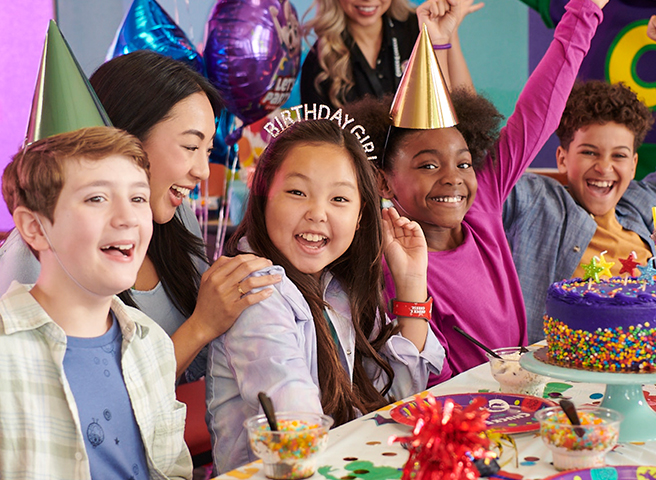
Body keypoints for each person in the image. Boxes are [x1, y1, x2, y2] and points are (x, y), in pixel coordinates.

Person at [346, 0, 606, 384]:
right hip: (459, 417)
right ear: (383, 181)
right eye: (428, 165)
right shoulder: (389, 264)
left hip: (522, 398)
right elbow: (412, 377)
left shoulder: (480, 205)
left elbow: (539, 112)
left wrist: (583, 12)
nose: (453, 178)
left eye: (464, 163)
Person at [0, 50, 280, 381]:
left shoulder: (176, 217)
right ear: (126, 139)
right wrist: (201, 325)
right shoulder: (39, 251)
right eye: (190, 147)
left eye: (207, 151)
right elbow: (77, 395)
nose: (203, 171)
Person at [205, 117, 445, 474]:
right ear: (263, 193)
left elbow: (394, 402)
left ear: (362, 215)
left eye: (339, 198)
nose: (317, 213)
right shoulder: (254, 289)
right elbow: (294, 419)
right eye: (298, 192)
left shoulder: (337, 285)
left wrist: (411, 282)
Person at [504, 7, 656, 342]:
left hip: (652, 370)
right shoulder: (534, 202)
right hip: (561, 378)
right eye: (589, 152)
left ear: (633, 163)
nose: (604, 168)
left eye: (619, 156)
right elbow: (492, 161)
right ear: (561, 157)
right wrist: (442, 45)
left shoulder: (650, 202)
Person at [0, 126, 191, 479]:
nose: (128, 218)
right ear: (35, 228)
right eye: (96, 198)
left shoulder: (153, 344)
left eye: (138, 198)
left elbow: (173, 470)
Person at [300, 0, 481, 108]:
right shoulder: (320, 62)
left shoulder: (420, 26)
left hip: (424, 164)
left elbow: (466, 107)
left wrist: (450, 32)